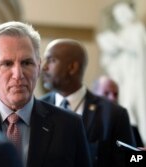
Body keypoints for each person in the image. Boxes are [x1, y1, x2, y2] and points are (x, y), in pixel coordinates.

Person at [0, 21, 92, 167]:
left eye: (26, 63)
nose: (18, 74)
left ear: (38, 68)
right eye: (7, 64)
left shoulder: (69, 125)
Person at [41, 38, 136, 167]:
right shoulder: (37, 109)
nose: (44, 67)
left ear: (72, 67)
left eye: (51, 60)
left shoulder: (114, 115)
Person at [96, 1, 146, 145]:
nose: (120, 17)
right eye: (118, 15)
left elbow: (138, 50)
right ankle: (131, 143)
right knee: (126, 109)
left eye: (122, 13)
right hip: (123, 79)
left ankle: (140, 143)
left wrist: (117, 43)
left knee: (136, 107)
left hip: (136, 77)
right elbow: (109, 60)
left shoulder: (137, 29)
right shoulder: (121, 33)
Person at [92, 75, 144, 148]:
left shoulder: (133, 131)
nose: (112, 98)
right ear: (94, 95)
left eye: (115, 94)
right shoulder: (85, 127)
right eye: (106, 93)